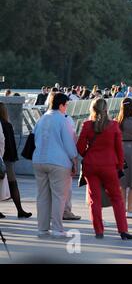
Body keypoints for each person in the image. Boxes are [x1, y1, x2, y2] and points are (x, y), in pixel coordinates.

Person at [76, 98, 132, 240]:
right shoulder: (113, 126)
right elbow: (119, 150)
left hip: (91, 166)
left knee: (94, 199)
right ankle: (123, 230)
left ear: (92, 110)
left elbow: (79, 147)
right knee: (116, 198)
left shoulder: (87, 125)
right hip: (109, 166)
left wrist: (88, 155)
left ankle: (99, 231)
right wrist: (119, 166)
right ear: (106, 109)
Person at [33, 93, 78, 238]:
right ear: (61, 105)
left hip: (39, 160)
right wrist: (74, 160)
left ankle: (42, 228)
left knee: (42, 196)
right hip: (58, 162)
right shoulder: (63, 120)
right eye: (66, 105)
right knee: (59, 196)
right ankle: (58, 229)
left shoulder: (41, 119)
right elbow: (69, 143)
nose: (66, 108)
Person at [0, 103, 32, 218]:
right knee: (13, 184)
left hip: (2, 158)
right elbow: (10, 144)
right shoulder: (7, 125)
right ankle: (20, 210)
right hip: (6, 160)